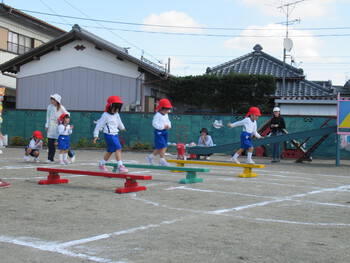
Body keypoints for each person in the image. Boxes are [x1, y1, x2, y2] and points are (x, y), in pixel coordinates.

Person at [93, 95, 128, 173]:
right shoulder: (105, 115)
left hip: (115, 135)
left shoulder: (116, 114)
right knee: (118, 148)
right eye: (115, 107)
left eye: (118, 108)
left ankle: (102, 165)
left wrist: (122, 127)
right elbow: (98, 125)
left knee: (110, 151)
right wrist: (96, 135)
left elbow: (119, 122)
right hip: (109, 135)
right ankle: (120, 166)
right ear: (110, 106)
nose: (116, 110)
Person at [146, 98, 173, 166]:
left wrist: (168, 126)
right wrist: (163, 126)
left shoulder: (166, 115)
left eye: (167, 109)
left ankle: (150, 157)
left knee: (161, 147)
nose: (166, 111)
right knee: (163, 146)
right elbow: (154, 124)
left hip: (165, 132)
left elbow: (168, 122)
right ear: (161, 108)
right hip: (159, 132)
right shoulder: (157, 115)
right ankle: (162, 160)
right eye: (165, 109)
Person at [45, 94, 68, 163]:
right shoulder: (49, 107)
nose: (52, 101)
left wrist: (61, 120)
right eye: (51, 99)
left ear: (57, 101)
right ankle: (50, 158)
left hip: (59, 127)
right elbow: (48, 117)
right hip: (51, 127)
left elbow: (67, 115)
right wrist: (47, 125)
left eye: (53, 99)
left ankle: (70, 154)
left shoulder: (61, 107)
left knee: (63, 143)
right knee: (50, 143)